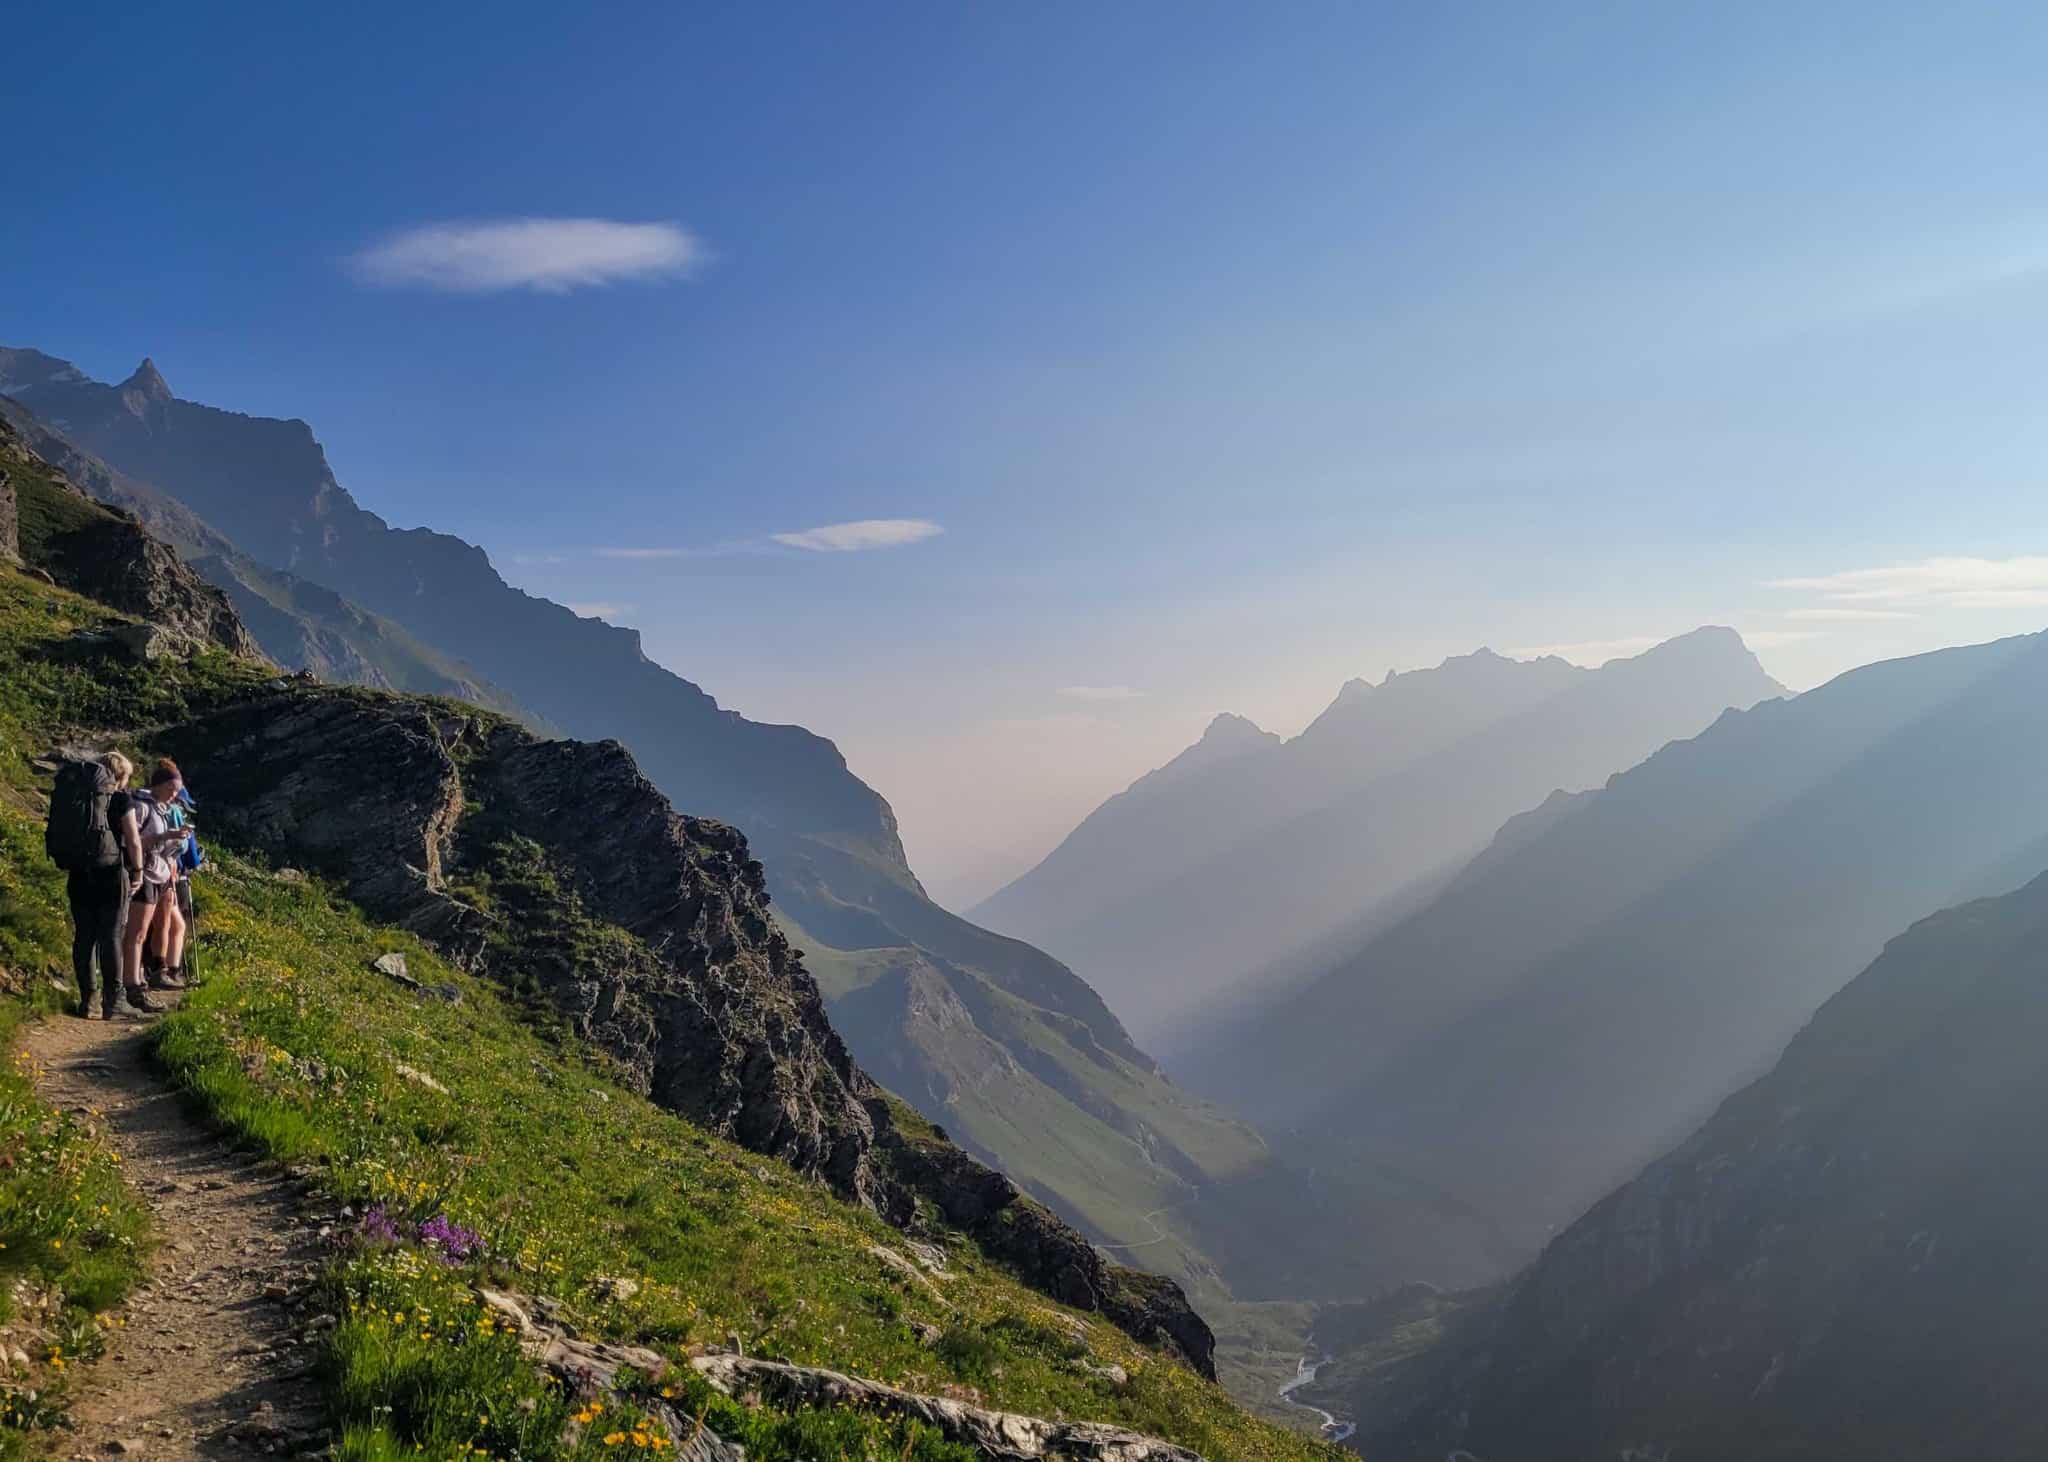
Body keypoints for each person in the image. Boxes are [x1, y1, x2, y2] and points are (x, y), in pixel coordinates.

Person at [56, 751, 142, 1019]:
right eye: (125, 778)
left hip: (80, 872)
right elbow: (134, 839)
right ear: (119, 776)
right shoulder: (120, 798)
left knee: (84, 935)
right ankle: (114, 1002)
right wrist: (138, 870)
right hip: (111, 873)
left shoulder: (79, 796)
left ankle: (88, 1000)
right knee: (111, 935)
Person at [117, 760, 191, 1015]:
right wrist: (165, 837)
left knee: (141, 932)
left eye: (177, 789)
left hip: (155, 874)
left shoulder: (159, 808)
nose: (174, 793)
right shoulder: (141, 806)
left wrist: (172, 841)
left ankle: (136, 982)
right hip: (143, 874)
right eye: (171, 788)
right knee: (136, 934)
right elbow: (132, 841)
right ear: (158, 785)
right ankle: (132, 987)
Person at [147, 783, 197, 989]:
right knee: (174, 926)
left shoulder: (149, 811)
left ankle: (154, 970)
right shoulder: (176, 817)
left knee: (153, 926)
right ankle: (169, 971)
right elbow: (192, 859)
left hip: (153, 874)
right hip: (169, 878)